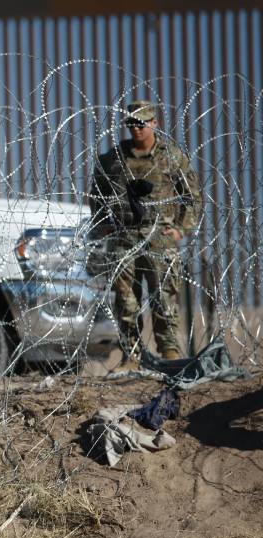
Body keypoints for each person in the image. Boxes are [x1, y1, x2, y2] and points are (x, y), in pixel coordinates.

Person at [88, 100, 202, 366]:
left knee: (163, 297)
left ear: (154, 123)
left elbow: (192, 195)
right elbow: (96, 194)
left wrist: (181, 229)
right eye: (131, 123)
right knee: (126, 300)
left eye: (142, 123)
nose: (137, 129)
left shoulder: (171, 156)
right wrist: (103, 223)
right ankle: (132, 354)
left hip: (159, 236)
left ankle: (170, 353)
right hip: (124, 236)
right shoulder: (113, 158)